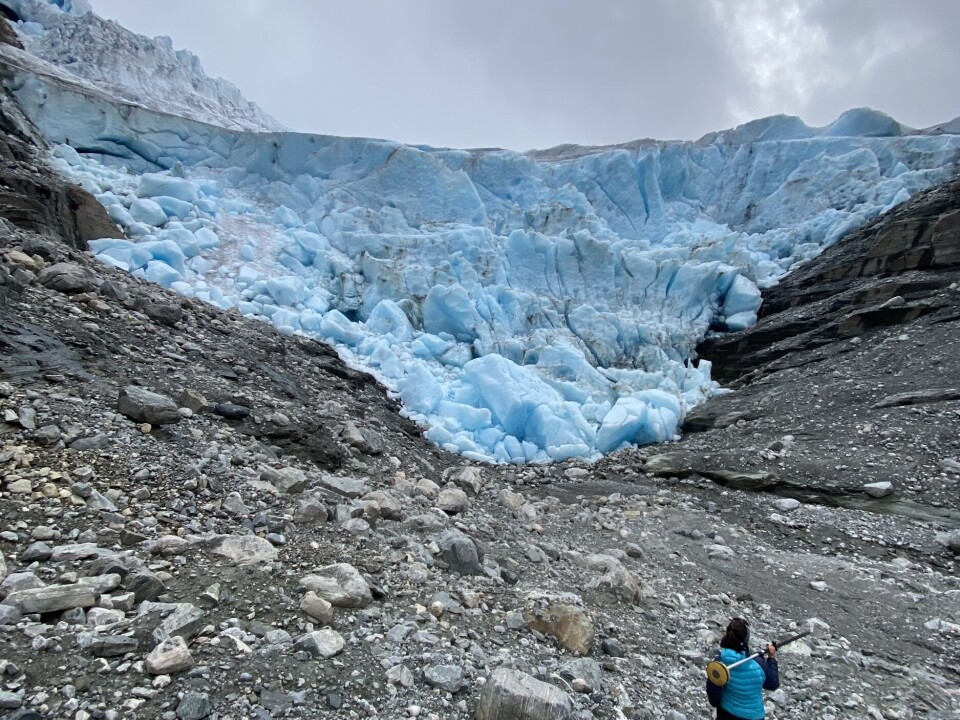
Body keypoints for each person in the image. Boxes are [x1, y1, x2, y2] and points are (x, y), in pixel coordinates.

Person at [706, 618, 779, 720]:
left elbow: (714, 700)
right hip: (754, 716)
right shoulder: (759, 664)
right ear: (746, 639)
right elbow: (773, 684)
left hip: (726, 714)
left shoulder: (718, 664)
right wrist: (771, 658)